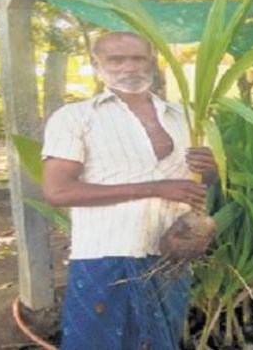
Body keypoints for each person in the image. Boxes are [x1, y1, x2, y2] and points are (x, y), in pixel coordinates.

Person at [41, 31, 217, 350]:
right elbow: (58, 191)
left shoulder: (187, 118)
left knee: (161, 341)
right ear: (96, 64)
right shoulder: (75, 117)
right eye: (116, 59)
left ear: (151, 61)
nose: (128, 67)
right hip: (106, 252)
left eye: (137, 58)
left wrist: (210, 171)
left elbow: (198, 185)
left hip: (170, 252)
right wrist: (155, 188)